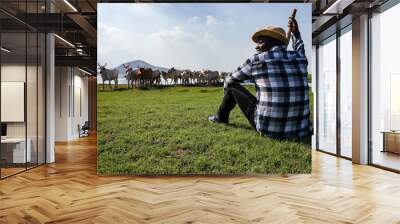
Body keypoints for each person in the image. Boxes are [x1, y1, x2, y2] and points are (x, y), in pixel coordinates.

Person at [208, 17, 312, 143]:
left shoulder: (256, 60)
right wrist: (296, 33)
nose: (257, 46)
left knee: (231, 86)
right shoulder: (300, 58)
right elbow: (300, 47)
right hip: (302, 129)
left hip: (269, 129)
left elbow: (230, 79)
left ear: (274, 41)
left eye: (261, 41)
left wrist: (226, 94)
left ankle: (220, 117)